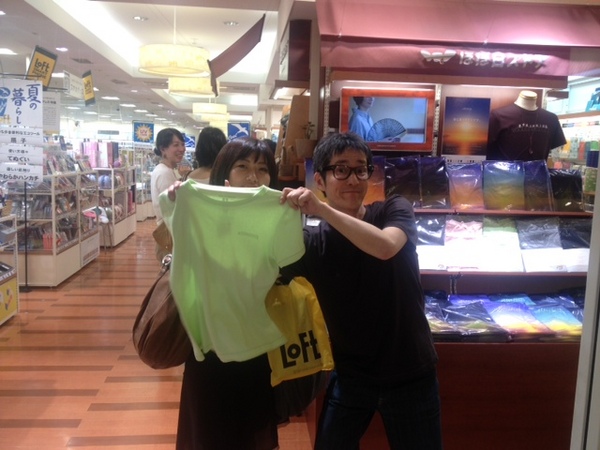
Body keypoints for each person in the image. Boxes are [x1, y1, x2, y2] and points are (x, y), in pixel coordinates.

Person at [279, 132, 442, 450]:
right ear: (320, 180)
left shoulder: (394, 209)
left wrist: (322, 210)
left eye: (361, 169)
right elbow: (262, 265)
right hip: (352, 376)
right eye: (341, 169)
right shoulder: (312, 242)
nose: (353, 179)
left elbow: (385, 247)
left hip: (410, 373)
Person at [163, 138, 304, 450]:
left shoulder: (277, 211)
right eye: (243, 166)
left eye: (262, 169)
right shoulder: (199, 207)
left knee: (251, 434)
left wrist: (293, 211)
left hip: (256, 344)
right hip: (209, 347)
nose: (253, 177)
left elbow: (289, 264)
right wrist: (182, 203)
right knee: (208, 433)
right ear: (224, 171)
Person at [486, 90, 566, 161]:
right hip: (505, 172)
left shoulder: (551, 118)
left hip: (538, 172)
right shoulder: (498, 115)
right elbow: (487, 149)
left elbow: (556, 150)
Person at [150, 127, 186, 261]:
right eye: (176, 145)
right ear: (163, 149)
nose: (181, 149)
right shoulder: (164, 172)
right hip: (169, 232)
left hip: (170, 229)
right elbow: (172, 206)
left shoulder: (169, 170)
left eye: (182, 144)